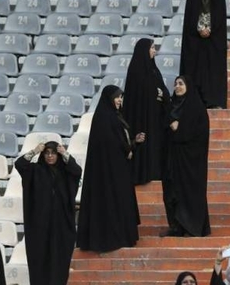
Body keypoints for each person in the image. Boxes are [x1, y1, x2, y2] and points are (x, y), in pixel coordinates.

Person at [77, 85, 144, 252]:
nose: (120, 100)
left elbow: (119, 141)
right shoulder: (104, 117)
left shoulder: (114, 116)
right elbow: (109, 143)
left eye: (121, 97)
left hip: (117, 169)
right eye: (117, 97)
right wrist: (127, 148)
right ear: (109, 98)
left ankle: (122, 235)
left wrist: (133, 143)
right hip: (108, 171)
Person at [15, 141, 81, 285]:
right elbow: (19, 164)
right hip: (39, 225)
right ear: (43, 155)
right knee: (39, 259)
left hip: (61, 225)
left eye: (53, 153)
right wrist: (34, 151)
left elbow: (77, 170)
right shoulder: (35, 170)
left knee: (60, 260)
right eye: (47, 153)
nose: (50, 156)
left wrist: (65, 153)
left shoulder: (65, 172)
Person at [161, 76, 211, 237]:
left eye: (181, 83)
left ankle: (192, 227)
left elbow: (198, 135)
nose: (177, 87)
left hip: (191, 160)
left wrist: (179, 129)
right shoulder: (172, 107)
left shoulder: (196, 108)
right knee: (172, 191)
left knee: (190, 192)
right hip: (173, 158)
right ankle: (176, 226)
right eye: (175, 84)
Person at [123, 38, 170, 185]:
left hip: (155, 119)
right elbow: (133, 98)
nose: (154, 51)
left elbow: (163, 91)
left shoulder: (155, 71)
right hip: (140, 119)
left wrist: (162, 95)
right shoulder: (135, 72)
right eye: (152, 48)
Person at [180, 0, 227, 109]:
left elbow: (220, 17)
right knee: (195, 68)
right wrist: (199, 29)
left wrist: (210, 30)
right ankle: (194, 100)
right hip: (195, 40)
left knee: (212, 69)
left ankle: (214, 100)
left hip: (214, 41)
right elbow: (189, 18)